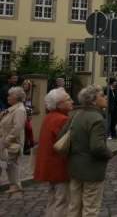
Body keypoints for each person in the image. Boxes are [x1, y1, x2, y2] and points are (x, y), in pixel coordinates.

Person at [65, 85, 113, 217]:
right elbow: (97, 147)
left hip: (75, 167)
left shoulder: (76, 114)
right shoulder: (96, 118)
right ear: (93, 100)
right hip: (92, 169)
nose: (105, 98)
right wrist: (109, 154)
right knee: (90, 207)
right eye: (102, 96)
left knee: (74, 206)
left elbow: (61, 137)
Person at [34, 88, 73, 217]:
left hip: (50, 165)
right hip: (59, 166)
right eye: (68, 99)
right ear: (59, 104)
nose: (72, 101)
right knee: (62, 201)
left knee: (52, 199)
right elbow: (67, 145)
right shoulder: (62, 119)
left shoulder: (49, 117)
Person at [0, 86, 27, 194]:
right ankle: (15, 185)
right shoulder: (12, 109)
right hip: (5, 141)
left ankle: (15, 185)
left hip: (10, 143)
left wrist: (6, 141)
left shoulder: (19, 110)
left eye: (10, 95)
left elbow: (17, 128)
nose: (8, 97)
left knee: (10, 164)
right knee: (8, 164)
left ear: (16, 97)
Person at [22, 79, 35, 155]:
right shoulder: (21, 94)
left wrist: (30, 114)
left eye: (27, 85)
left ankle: (28, 147)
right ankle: (28, 146)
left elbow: (29, 105)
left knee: (28, 130)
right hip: (22, 113)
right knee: (28, 130)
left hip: (27, 114)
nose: (26, 86)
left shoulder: (29, 94)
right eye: (24, 84)